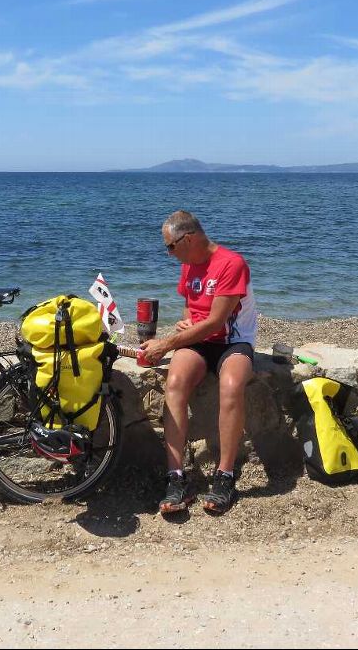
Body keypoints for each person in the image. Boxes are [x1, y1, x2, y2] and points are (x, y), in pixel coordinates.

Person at [139, 210, 257, 515]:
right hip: (200, 341)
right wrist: (186, 322)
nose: (168, 254)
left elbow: (216, 323)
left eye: (170, 247)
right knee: (175, 383)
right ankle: (176, 477)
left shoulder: (232, 263)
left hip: (233, 342)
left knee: (231, 386)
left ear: (188, 238)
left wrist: (165, 344)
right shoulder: (188, 264)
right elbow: (191, 310)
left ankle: (225, 475)